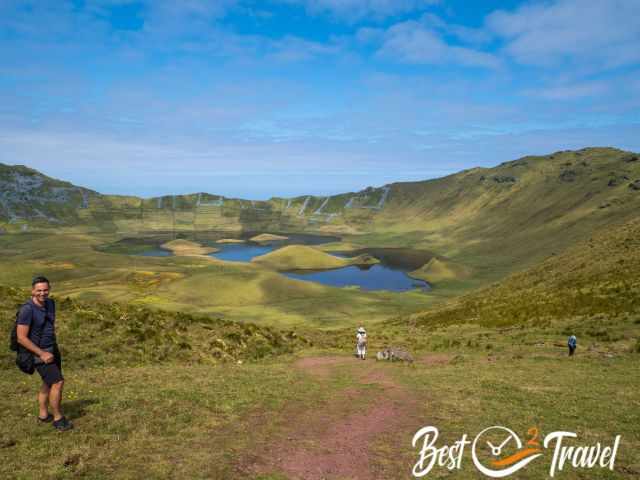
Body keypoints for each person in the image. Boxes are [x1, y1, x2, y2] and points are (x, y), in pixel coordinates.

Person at [16, 276, 73, 431]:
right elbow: (21, 337)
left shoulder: (50, 303)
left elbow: (48, 325)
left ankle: (43, 414)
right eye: (39, 290)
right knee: (57, 382)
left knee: (49, 382)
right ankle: (58, 418)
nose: (42, 293)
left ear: (49, 290)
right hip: (39, 353)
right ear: (32, 291)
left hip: (52, 349)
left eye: (45, 290)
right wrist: (42, 353)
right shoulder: (27, 310)